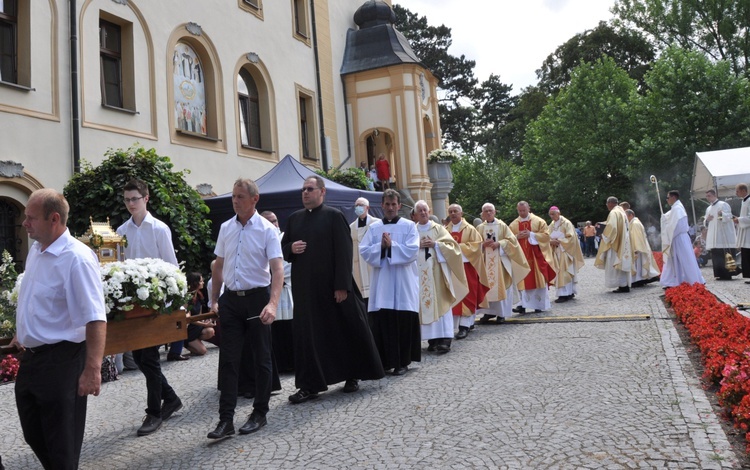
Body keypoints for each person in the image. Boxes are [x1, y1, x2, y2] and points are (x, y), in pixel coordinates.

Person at [11, 189, 107, 469]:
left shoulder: (76, 258)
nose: (24, 223)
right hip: (33, 359)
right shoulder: (37, 252)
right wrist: (23, 331)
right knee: (33, 432)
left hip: (63, 360)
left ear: (54, 219)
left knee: (61, 445)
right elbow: (36, 298)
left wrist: (93, 369)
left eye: (30, 218)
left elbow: (95, 318)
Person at [282, 176, 384, 402]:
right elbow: (282, 248)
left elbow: (344, 252)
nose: (305, 193)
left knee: (343, 329)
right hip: (306, 290)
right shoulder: (294, 219)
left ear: (322, 192)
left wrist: (342, 286)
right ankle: (309, 385)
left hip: (332, 288)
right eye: (303, 190)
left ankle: (352, 374)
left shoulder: (333, 216)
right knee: (308, 336)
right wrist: (291, 247)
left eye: (310, 189)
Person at [208, 178, 282, 439]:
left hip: (256, 298)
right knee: (228, 361)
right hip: (231, 301)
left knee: (261, 357)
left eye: (240, 196)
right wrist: (214, 299)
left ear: (254, 199)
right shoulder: (226, 227)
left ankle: (259, 413)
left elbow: (277, 269)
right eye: (233, 196)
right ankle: (225, 420)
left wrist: (273, 304)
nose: (235, 201)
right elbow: (218, 265)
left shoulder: (266, 229)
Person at [116, 178, 183, 436]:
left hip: (155, 305)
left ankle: (154, 412)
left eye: (135, 198)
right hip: (132, 306)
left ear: (146, 198)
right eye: (126, 199)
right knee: (142, 359)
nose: (130, 203)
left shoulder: (159, 229)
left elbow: (171, 266)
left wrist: (171, 304)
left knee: (150, 359)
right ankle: (171, 398)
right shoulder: (122, 230)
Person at [360, 189, 420, 375]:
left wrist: (391, 246)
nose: (391, 208)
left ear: (399, 206)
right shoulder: (375, 228)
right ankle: (386, 361)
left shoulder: (409, 226)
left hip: (404, 281)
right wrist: (381, 247)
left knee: (402, 321)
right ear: (382, 205)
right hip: (383, 282)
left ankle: (402, 362)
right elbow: (364, 250)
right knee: (383, 321)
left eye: (394, 204)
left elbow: (412, 251)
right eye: (387, 204)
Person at [414, 200, 468, 354]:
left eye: (425, 210)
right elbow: (407, 248)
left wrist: (436, 245)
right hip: (419, 275)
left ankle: (444, 338)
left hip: (438, 274)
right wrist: (418, 245)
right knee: (424, 305)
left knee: (442, 303)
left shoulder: (438, 229)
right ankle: (432, 339)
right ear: (416, 214)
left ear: (429, 211)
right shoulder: (412, 230)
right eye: (420, 211)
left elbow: (453, 248)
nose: (423, 213)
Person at [476, 203, 530, 323]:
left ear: (495, 212)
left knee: (503, 287)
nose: (488, 213)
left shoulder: (502, 225)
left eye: (490, 210)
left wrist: (499, 244)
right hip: (486, 262)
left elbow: (512, 241)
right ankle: (488, 313)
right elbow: (475, 244)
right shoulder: (479, 228)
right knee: (487, 287)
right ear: (482, 214)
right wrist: (482, 245)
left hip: (501, 262)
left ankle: (502, 314)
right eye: (486, 211)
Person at [446, 204, 490, 339]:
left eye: (456, 211)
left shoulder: (470, 229)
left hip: (467, 267)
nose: (453, 214)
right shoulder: (444, 230)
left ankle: (465, 325)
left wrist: (457, 248)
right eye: (451, 212)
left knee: (467, 295)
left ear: (461, 213)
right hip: (452, 268)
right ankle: (455, 325)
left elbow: (477, 247)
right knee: (453, 295)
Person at [261, 210, 295, 372]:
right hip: (270, 291)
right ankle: (279, 365)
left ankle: (294, 362)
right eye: (269, 222)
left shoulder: (285, 239)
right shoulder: (260, 241)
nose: (273, 225)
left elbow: (289, 264)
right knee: (275, 331)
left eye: (275, 221)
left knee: (291, 327)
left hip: (288, 289)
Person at [509, 201, 555, 312]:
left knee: (538, 279)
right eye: (520, 211)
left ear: (529, 208)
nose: (522, 212)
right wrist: (516, 237)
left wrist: (531, 235)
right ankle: (522, 304)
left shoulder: (539, 221)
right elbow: (508, 239)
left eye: (524, 210)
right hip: (521, 258)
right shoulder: (513, 224)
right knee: (521, 279)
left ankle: (539, 305)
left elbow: (546, 236)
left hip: (536, 257)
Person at [660, 190, 706, 287]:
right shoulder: (676, 208)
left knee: (685, 259)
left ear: (673, 197)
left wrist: (668, 231)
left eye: (668, 198)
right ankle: (675, 280)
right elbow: (670, 218)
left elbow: (677, 226)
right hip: (677, 238)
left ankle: (692, 280)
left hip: (679, 238)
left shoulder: (677, 209)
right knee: (677, 260)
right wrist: (664, 218)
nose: (667, 200)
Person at [594, 196, 632, 293]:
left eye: (607, 203)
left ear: (611, 203)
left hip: (615, 243)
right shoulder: (621, 212)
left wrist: (603, 234)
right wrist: (602, 224)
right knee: (621, 264)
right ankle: (624, 284)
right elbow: (611, 224)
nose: (607, 205)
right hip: (622, 241)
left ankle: (622, 286)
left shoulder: (613, 212)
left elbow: (612, 228)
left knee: (615, 264)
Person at [547, 206, 585, 302]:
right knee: (559, 272)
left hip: (565, 251)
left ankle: (564, 294)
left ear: (558, 213)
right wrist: (551, 241)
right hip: (556, 251)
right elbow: (547, 236)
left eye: (553, 214)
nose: (552, 216)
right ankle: (568, 292)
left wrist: (559, 241)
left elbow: (571, 238)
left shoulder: (566, 223)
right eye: (550, 214)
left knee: (564, 272)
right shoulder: (551, 225)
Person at [704, 189, 738, 280]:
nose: (708, 198)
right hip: (714, 236)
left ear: (715, 195)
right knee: (716, 255)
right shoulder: (708, 208)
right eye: (707, 196)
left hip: (724, 235)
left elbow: (729, 216)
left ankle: (727, 274)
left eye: (709, 196)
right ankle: (719, 274)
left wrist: (721, 214)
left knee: (724, 254)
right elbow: (705, 221)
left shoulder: (723, 204)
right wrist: (707, 220)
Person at [350, 197, 378, 306]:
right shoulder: (351, 227)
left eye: (360, 205)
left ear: (367, 207)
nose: (358, 208)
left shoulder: (377, 224)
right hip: (358, 268)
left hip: (372, 264)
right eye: (356, 205)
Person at [625, 209, 661, 287]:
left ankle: (638, 280)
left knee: (638, 265)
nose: (625, 219)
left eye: (626, 216)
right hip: (639, 247)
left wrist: (636, 249)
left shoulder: (634, 224)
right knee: (639, 265)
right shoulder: (635, 222)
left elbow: (636, 237)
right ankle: (640, 279)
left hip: (638, 248)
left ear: (631, 215)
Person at [184, 272, 216, 356]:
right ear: (195, 283)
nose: (203, 283)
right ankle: (186, 342)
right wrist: (204, 324)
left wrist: (206, 321)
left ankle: (196, 342)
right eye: (201, 281)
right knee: (202, 351)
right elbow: (188, 319)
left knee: (210, 331)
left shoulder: (199, 295)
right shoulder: (187, 298)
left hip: (196, 325)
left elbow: (199, 314)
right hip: (189, 327)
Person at [734, 183, 750, 284]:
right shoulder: (744, 201)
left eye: (737, 191)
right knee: (746, 254)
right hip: (745, 232)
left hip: (749, 232)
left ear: (744, 190)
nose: (736, 193)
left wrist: (739, 220)